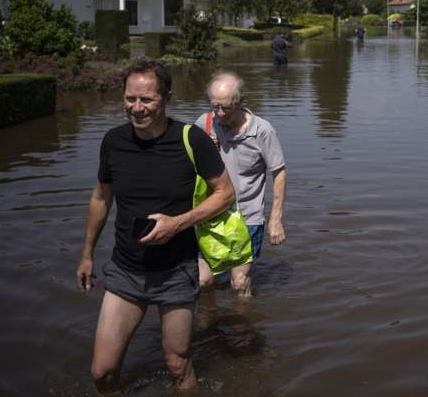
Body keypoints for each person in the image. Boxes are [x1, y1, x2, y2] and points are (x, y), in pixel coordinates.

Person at [76, 59, 236, 394]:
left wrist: (178, 223)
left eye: (147, 99)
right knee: (102, 372)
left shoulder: (191, 139)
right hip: (126, 268)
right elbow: (101, 198)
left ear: (167, 99)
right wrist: (87, 255)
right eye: (130, 99)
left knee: (177, 365)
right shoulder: (113, 141)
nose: (137, 108)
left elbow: (225, 194)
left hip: (176, 271)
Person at [194, 71, 286, 297]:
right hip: (212, 215)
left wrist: (275, 219)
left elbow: (279, 172)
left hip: (247, 217)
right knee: (203, 281)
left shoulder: (262, 130)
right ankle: (210, 316)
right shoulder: (205, 124)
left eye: (226, 107)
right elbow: (188, 164)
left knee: (239, 282)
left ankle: (243, 318)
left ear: (240, 102)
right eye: (214, 106)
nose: (219, 113)